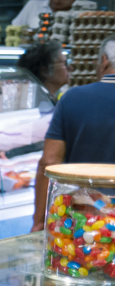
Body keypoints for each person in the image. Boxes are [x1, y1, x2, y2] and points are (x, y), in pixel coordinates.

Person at [32, 44, 115, 231]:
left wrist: (40, 220)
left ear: (103, 61)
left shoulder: (73, 98)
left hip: (83, 219)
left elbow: (49, 162)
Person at [17, 42, 73, 109]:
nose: (70, 68)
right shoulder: (38, 106)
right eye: (64, 63)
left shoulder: (47, 100)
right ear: (44, 71)